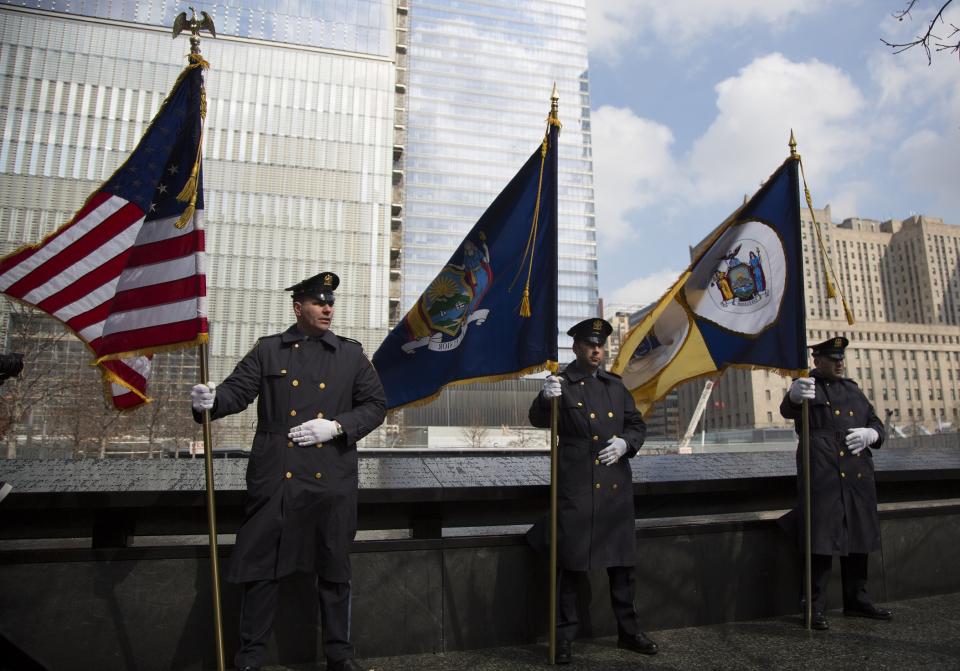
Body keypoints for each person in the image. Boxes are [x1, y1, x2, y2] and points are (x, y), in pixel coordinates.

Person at [191, 272, 386, 671]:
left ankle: (340, 655)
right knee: (262, 569)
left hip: (330, 476)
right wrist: (209, 401)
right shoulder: (269, 351)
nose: (328, 308)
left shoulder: (350, 355)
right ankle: (250, 657)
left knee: (334, 569)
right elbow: (237, 392)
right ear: (299, 308)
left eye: (330, 302)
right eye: (319, 302)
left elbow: (375, 405)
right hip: (277, 476)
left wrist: (336, 427)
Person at [528, 318, 657, 664]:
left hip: (614, 487)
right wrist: (544, 397)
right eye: (589, 344)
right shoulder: (562, 383)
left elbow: (636, 424)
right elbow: (538, 419)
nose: (596, 350)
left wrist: (626, 444)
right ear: (576, 347)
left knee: (622, 567)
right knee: (571, 565)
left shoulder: (616, 386)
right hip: (578, 486)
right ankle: (564, 638)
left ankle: (629, 633)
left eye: (601, 345)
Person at [781, 336, 891, 631]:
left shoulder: (853, 392)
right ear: (817, 361)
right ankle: (813, 605)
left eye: (841, 358)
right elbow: (788, 410)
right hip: (824, 474)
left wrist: (872, 435)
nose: (840, 363)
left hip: (856, 477)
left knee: (858, 539)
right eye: (833, 358)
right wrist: (792, 396)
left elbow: (878, 425)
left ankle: (857, 599)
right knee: (820, 542)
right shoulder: (806, 386)